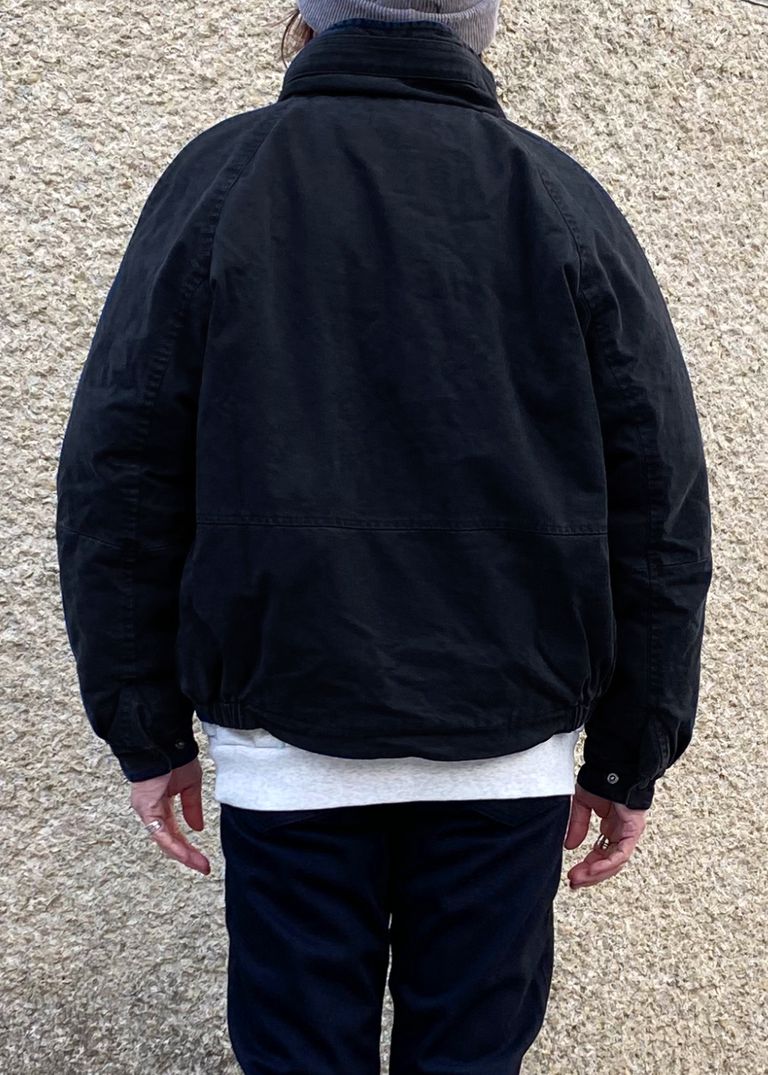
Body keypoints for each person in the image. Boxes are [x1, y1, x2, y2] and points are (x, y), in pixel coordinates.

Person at [54, 2, 713, 1072]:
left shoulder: (222, 180)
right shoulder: (560, 197)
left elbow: (118, 475)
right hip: (507, 758)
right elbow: (662, 500)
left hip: (290, 750)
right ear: (478, 32)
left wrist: (146, 727)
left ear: (305, 22)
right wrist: (631, 751)